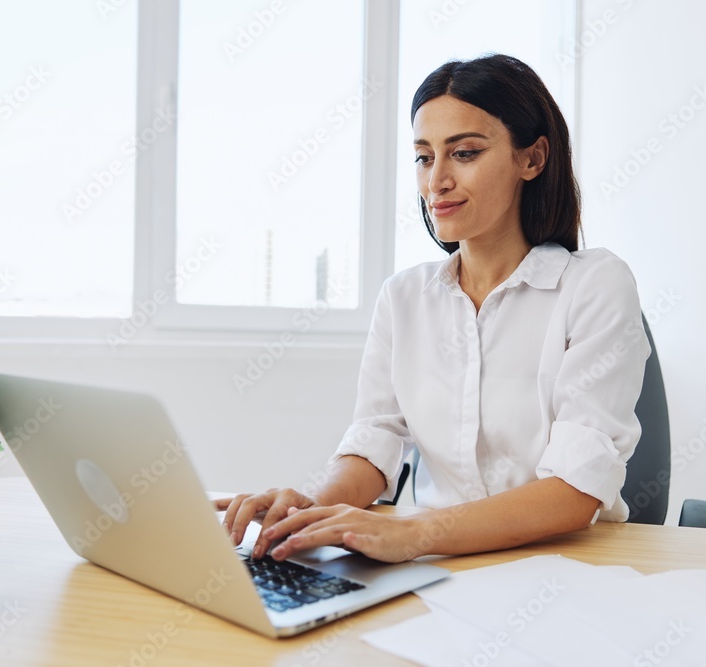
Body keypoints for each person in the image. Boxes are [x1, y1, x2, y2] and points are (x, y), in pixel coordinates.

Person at [216, 53, 651, 564]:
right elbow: (375, 439)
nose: (435, 181)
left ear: (531, 159)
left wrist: (416, 533)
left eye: (463, 153)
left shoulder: (595, 284)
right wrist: (311, 507)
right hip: (442, 567)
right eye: (424, 157)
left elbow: (574, 492)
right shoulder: (403, 298)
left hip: (567, 567)